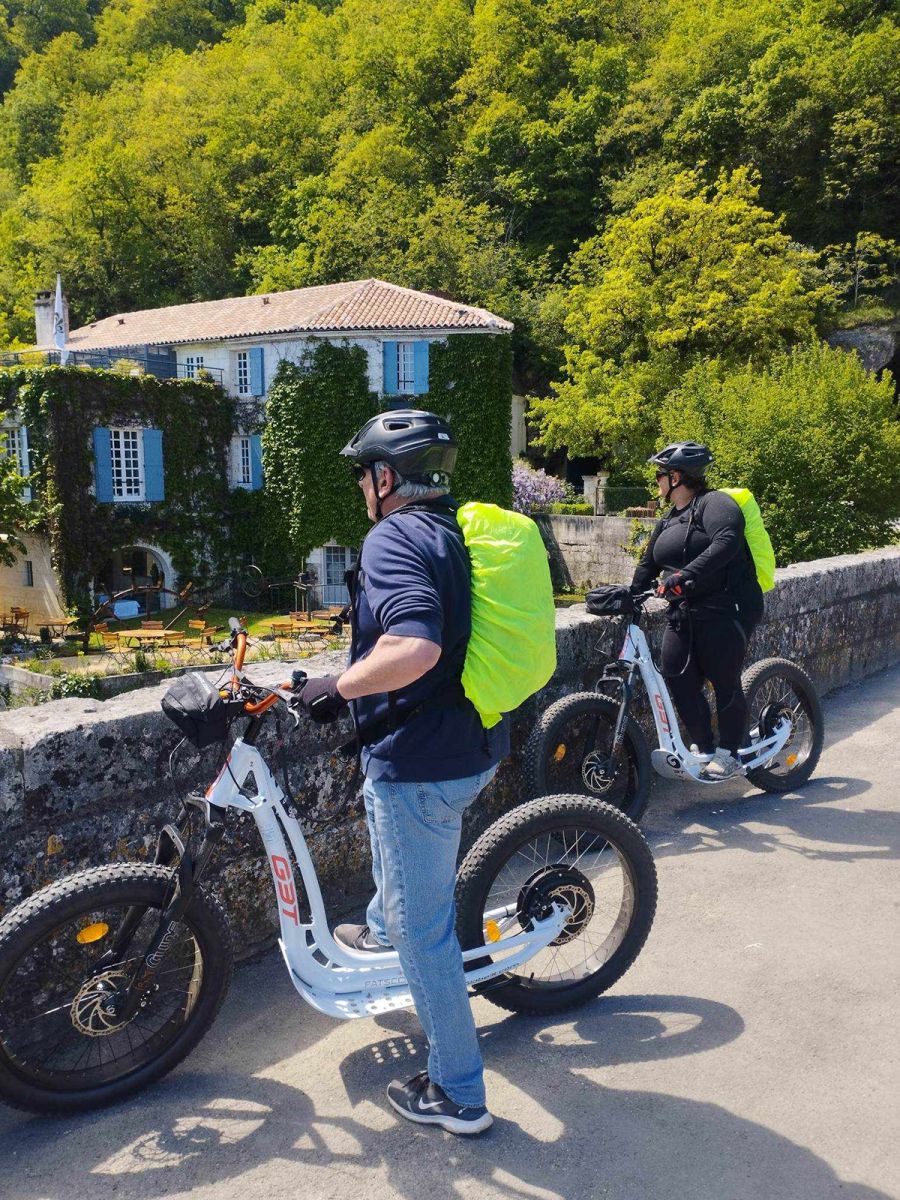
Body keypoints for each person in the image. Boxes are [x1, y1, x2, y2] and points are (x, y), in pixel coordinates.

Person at [294, 409, 508, 1136]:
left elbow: (414, 645)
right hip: (472, 741)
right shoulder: (452, 531)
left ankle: (459, 1093)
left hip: (422, 762)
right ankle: (384, 928)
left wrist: (338, 686)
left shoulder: (392, 537)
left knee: (428, 937)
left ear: (385, 477)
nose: (362, 487)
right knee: (398, 865)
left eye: (364, 474)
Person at [631, 441, 764, 779]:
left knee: (724, 680)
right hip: (683, 614)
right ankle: (705, 747)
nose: (657, 481)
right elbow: (648, 565)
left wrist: (684, 575)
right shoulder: (668, 520)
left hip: (725, 609)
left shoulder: (715, 503)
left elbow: (727, 542)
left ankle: (729, 752)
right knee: (677, 677)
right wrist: (626, 594)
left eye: (660, 475)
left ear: (676, 477)